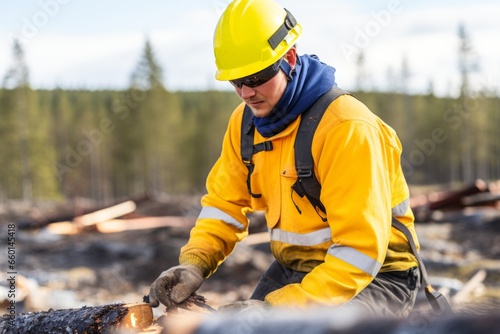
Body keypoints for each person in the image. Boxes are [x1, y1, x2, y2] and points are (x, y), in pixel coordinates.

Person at [149, 0, 420, 317]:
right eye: (236, 82)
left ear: (289, 57)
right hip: (297, 267)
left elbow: (360, 252)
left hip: (376, 277)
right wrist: (194, 263)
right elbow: (224, 206)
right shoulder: (245, 124)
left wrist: (276, 309)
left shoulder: (346, 127)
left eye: (256, 78)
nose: (246, 92)